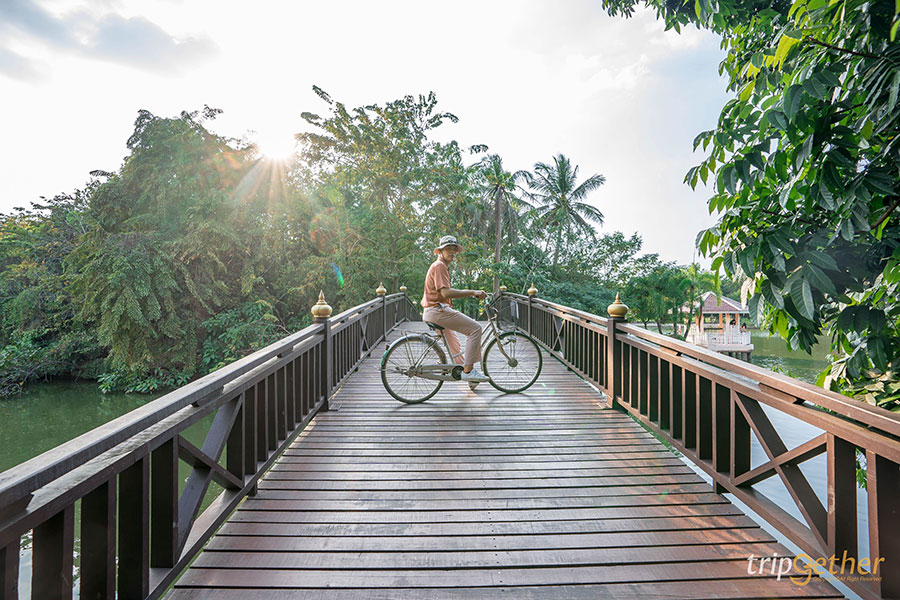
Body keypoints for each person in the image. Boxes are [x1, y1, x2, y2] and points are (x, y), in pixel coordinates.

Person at [421, 235, 489, 390]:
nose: (452, 252)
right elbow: (445, 293)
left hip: (433, 310)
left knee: (456, 350)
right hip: (437, 310)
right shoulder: (439, 266)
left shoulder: (441, 266)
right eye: (448, 249)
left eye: (454, 249)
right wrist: (473, 292)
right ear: (441, 251)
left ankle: (468, 377)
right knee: (475, 329)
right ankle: (468, 372)